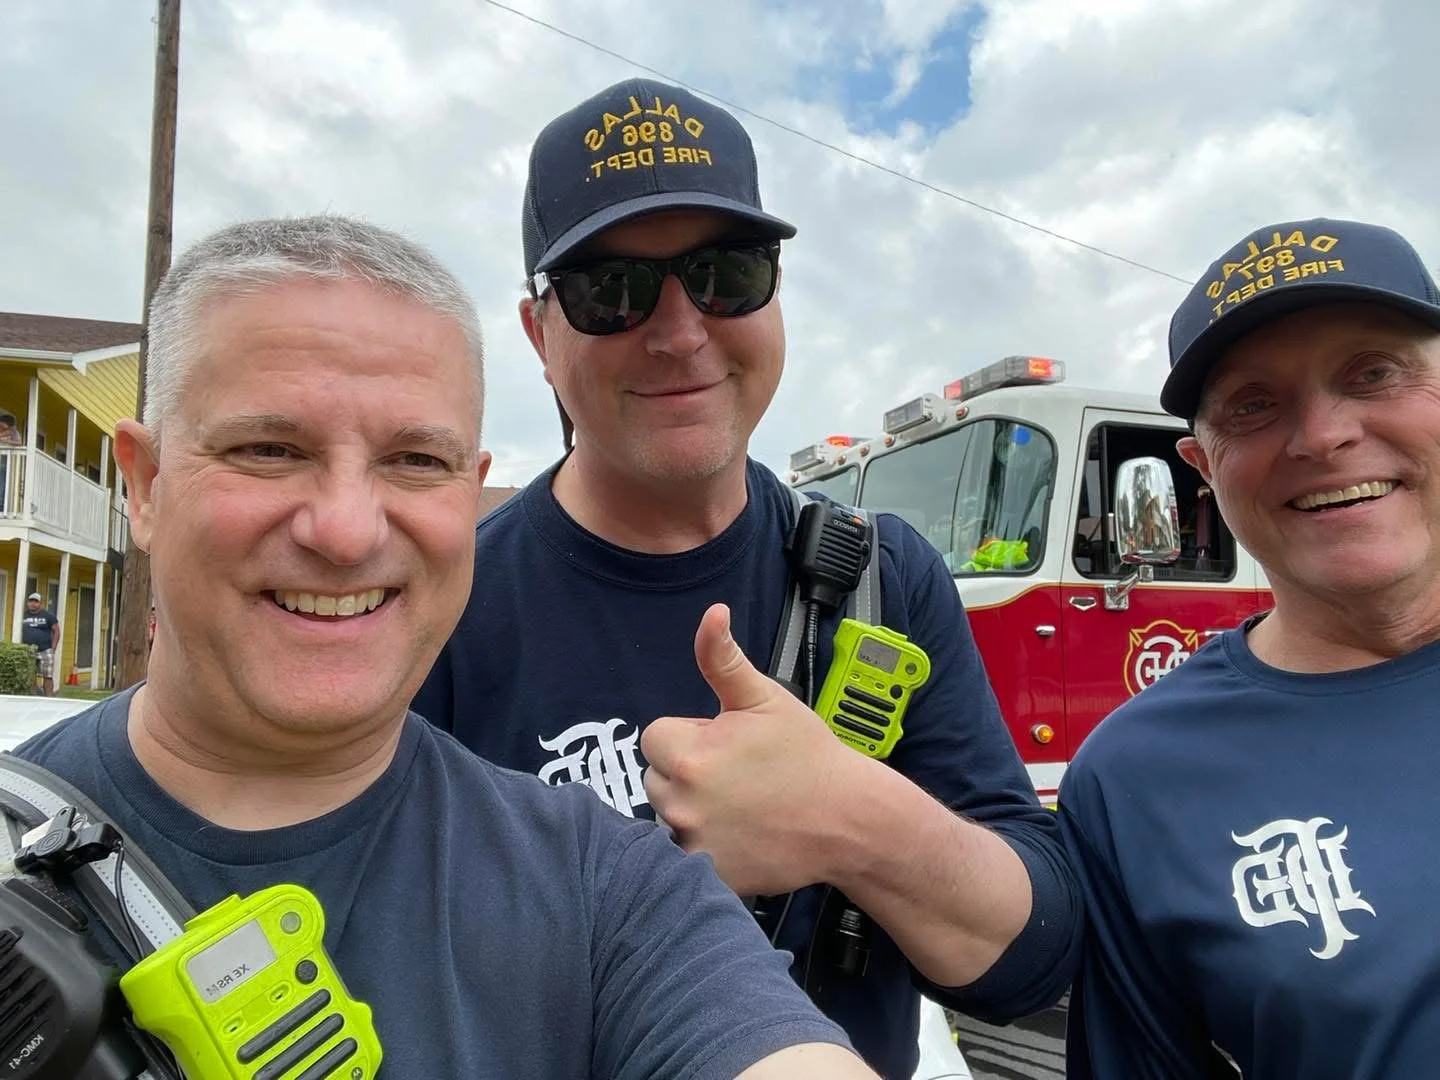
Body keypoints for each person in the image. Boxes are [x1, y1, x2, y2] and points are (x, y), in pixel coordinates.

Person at [12, 214, 876, 1078]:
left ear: (469, 497)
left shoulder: (606, 888)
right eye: (268, 449)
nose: (347, 532)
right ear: (146, 483)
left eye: (416, 461)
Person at [414, 78, 1080, 1078]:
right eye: (611, 289)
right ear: (538, 334)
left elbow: (1032, 956)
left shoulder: (889, 579)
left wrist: (849, 820)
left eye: (728, 273)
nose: (681, 331)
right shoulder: (445, 604)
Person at [1058, 217, 1440, 1079]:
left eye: (1372, 372)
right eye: (1254, 405)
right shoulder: (1132, 784)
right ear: (1202, 467)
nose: (1323, 436)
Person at [21, 591, 59, 695]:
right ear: (27, 602)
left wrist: (53, 648)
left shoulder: (48, 616)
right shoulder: (22, 615)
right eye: (31, 601)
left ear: (40, 603)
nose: (33, 603)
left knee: (48, 676)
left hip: (45, 650)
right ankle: (34, 696)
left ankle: (49, 697)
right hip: (28, 650)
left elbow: (56, 631)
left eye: (36, 601)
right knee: (30, 675)